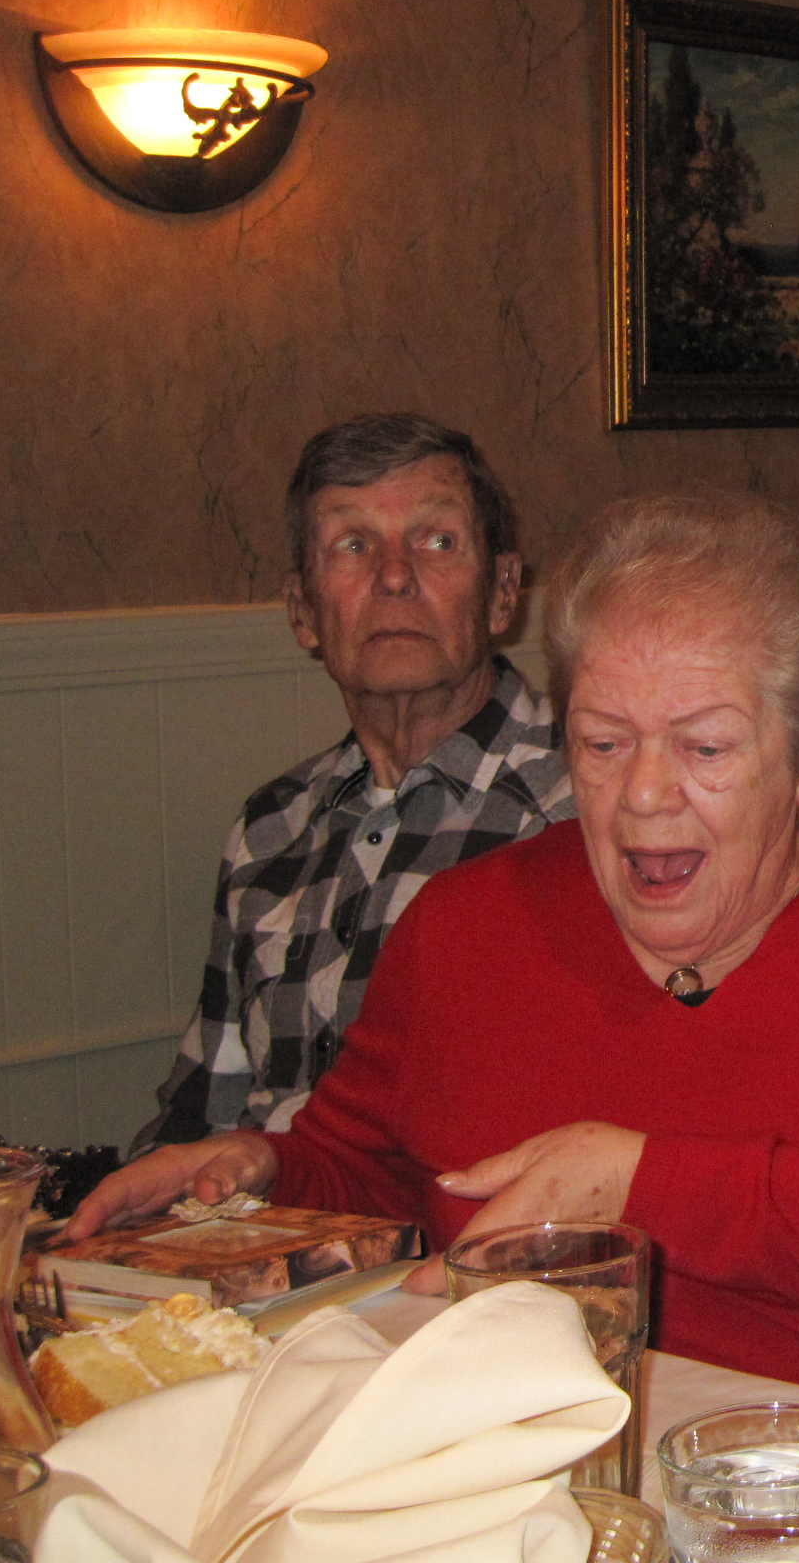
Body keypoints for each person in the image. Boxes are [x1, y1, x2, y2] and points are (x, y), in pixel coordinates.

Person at [76, 491, 799, 1407]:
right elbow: (375, 1164)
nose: (644, 795)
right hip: (509, 1446)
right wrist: (257, 1174)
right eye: (604, 744)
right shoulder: (468, 926)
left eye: (705, 748)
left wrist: (636, 1186)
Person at [132, 414, 571, 1156]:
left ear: (503, 593)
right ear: (303, 611)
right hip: (271, 1248)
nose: (394, 576)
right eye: (353, 545)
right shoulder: (271, 832)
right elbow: (203, 1110)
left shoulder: (592, 801)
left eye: (437, 541)